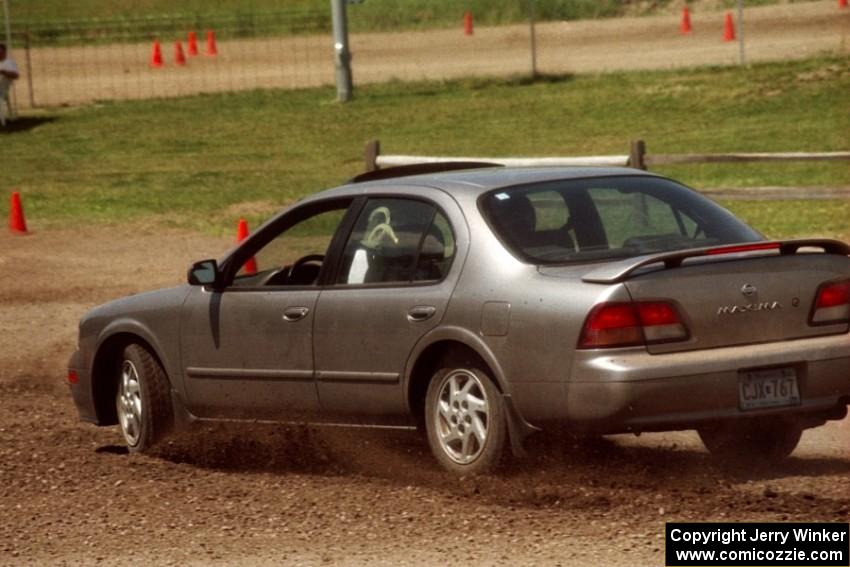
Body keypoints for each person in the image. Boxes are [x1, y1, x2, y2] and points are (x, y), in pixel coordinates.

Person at [0, 42, 19, 126]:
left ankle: (2, 120)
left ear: (4, 51)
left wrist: (3, 72)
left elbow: (16, 75)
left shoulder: (9, 63)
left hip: (2, 87)